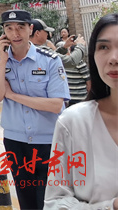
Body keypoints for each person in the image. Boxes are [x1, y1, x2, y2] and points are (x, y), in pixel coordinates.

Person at [0, 10, 70, 210]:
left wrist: (13, 95)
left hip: (48, 142)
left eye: (21, 27)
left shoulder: (50, 60)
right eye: (9, 28)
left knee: (49, 201)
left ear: (30, 28)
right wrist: (3, 60)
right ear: (3, 32)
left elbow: (56, 105)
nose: (15, 33)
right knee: (26, 200)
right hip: (16, 143)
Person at [44, 13, 118, 209]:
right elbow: (54, 202)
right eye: (103, 47)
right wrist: (110, 206)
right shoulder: (73, 122)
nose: (113, 58)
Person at [30, 19, 91, 106]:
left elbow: (51, 56)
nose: (47, 34)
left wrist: (64, 47)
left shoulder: (30, 49)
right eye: (46, 31)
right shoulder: (40, 50)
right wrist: (80, 45)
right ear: (37, 33)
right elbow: (71, 61)